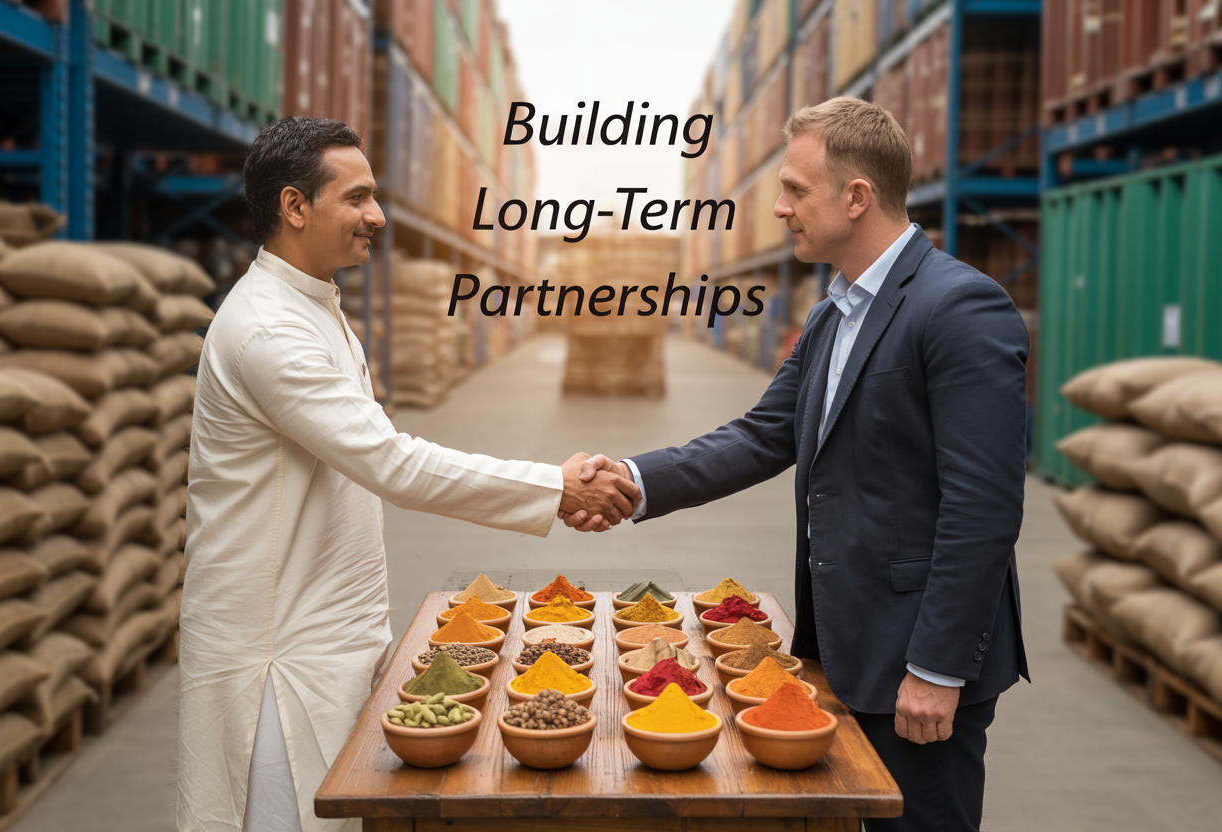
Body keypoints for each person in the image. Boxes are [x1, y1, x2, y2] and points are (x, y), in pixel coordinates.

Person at [568, 98, 1029, 832]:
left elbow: (985, 507)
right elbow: (760, 435)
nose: (779, 208)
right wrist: (632, 479)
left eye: (794, 190)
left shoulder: (959, 308)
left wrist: (938, 669)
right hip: (845, 642)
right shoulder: (832, 313)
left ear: (857, 197)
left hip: (918, 657)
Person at [176, 117, 638, 832]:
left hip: (329, 637)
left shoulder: (314, 308)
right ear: (296, 207)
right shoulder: (269, 329)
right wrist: (556, 486)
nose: (377, 216)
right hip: (278, 661)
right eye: (357, 198)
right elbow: (391, 462)